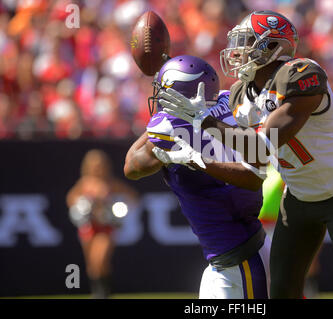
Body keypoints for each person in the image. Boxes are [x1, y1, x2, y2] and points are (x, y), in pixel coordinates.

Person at [158, 10, 333, 299]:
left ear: (273, 46)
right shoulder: (240, 95)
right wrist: (197, 158)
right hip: (298, 198)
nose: (236, 51)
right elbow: (256, 164)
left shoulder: (302, 74)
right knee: (281, 291)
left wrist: (207, 122)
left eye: (246, 42)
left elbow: (264, 145)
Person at [124, 55, 270, 299]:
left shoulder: (171, 126)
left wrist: (158, 122)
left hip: (238, 259)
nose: (161, 98)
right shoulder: (229, 100)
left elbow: (132, 167)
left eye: (165, 92)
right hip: (242, 248)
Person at [67, 149, 137, 298]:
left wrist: (119, 209)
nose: (97, 169)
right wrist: (80, 206)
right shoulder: (85, 183)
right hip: (88, 226)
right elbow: (70, 198)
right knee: (92, 264)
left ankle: (103, 292)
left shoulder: (111, 183)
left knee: (101, 259)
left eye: (100, 165)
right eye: (94, 165)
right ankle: (97, 292)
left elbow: (132, 196)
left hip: (106, 227)